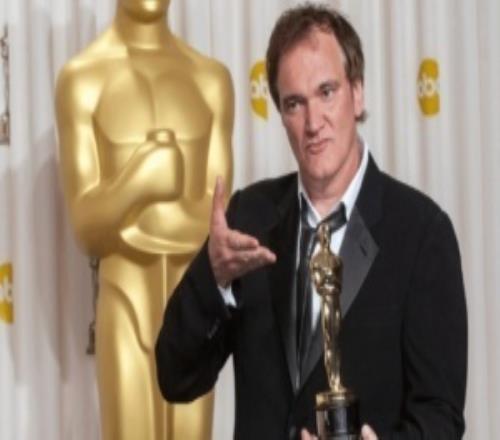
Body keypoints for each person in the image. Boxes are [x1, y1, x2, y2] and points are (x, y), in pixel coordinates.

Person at [155, 4, 467, 440]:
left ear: (357, 93)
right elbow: (175, 377)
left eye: (326, 92)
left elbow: (440, 416)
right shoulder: (249, 220)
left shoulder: (420, 232)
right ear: (281, 114)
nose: (313, 123)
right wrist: (214, 278)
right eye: (294, 103)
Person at [55, 0, 234, 438]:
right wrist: (138, 182)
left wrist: (134, 215)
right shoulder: (82, 80)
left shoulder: (211, 80)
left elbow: (218, 220)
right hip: (125, 301)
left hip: (194, 305)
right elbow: (85, 227)